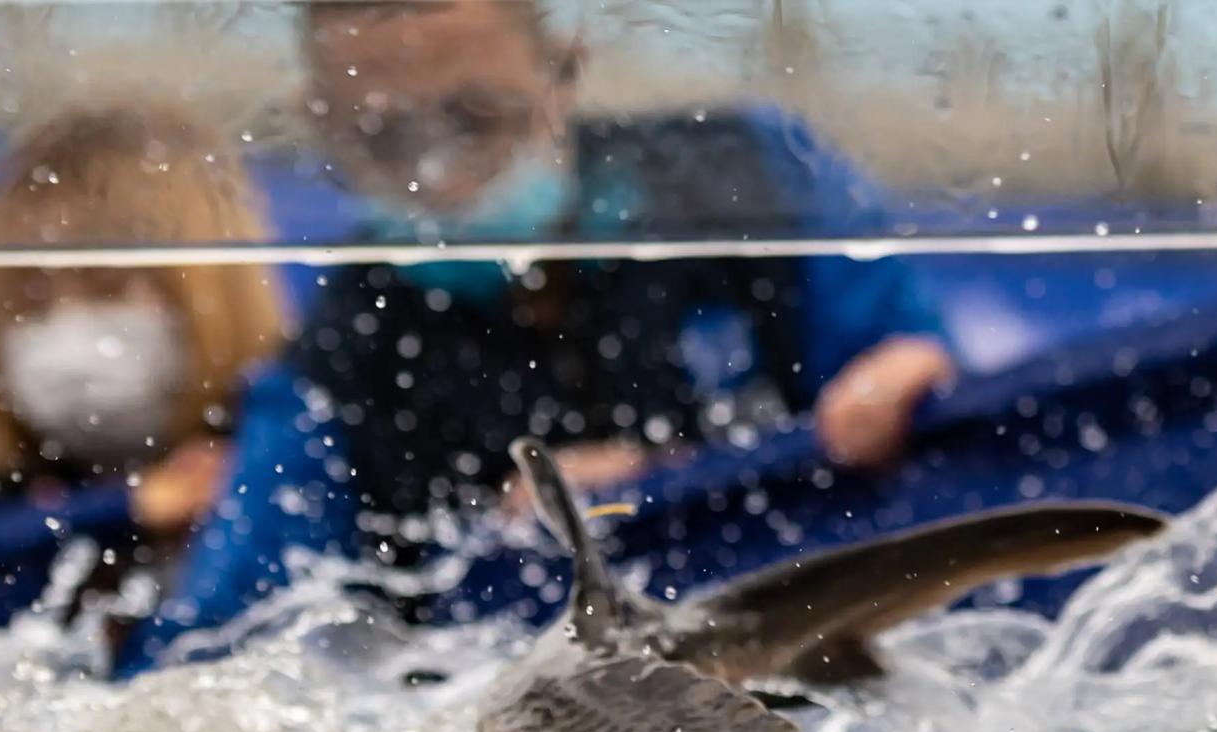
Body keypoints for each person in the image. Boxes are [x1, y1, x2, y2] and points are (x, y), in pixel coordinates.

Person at [121, 0, 956, 665]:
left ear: (564, 74)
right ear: (321, 124)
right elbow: (203, 666)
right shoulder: (332, 373)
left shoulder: (755, 184)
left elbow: (931, 395)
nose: (436, 169)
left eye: (475, 118)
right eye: (386, 137)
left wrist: (910, 379)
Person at [0, 102, 285, 639]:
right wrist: (122, 508)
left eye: (109, 286)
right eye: (31, 300)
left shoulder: (281, 448)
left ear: (208, 292)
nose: (68, 327)